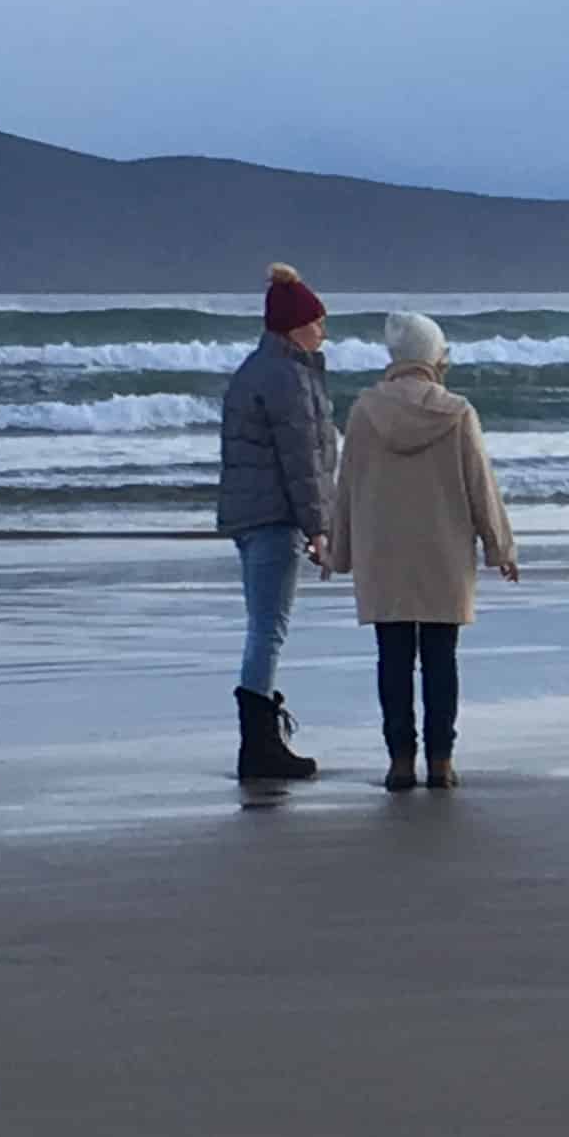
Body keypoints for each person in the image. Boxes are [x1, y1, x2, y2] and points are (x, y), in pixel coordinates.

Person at [331, 309, 521, 791]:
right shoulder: (457, 412)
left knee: (392, 659)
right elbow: (481, 486)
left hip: (384, 553)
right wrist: (500, 547)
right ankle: (440, 760)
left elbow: (347, 486)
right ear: (434, 356)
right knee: (441, 658)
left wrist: (340, 552)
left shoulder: (363, 411)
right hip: (443, 552)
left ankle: (399, 760)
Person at [216, 264, 336, 782]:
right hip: (273, 516)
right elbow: (301, 460)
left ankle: (261, 738)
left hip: (251, 514)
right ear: (294, 326)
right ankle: (259, 745)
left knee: (264, 626)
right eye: (317, 322)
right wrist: (318, 526)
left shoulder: (255, 370)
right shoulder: (288, 378)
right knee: (269, 629)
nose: (323, 331)